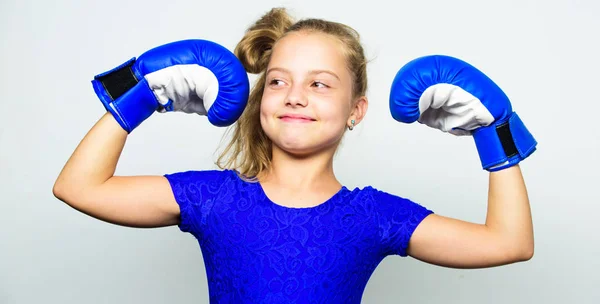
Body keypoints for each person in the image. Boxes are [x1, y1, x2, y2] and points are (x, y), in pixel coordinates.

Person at [53, 7, 536, 303]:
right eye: (279, 81)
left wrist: (495, 132)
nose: (295, 95)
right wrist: (136, 94)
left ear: (355, 110)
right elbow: (78, 187)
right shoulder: (213, 196)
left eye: (320, 84)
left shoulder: (372, 216)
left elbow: (509, 243)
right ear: (260, 98)